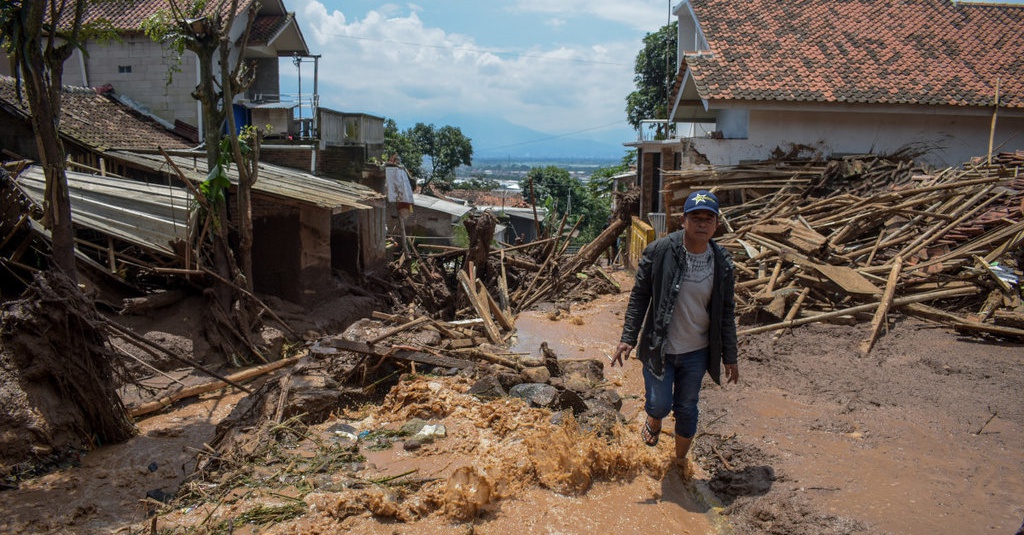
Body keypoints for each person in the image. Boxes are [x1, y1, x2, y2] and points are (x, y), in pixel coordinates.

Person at [610, 189, 739, 479]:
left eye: (709, 218)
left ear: (716, 224)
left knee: (688, 409)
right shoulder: (659, 252)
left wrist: (730, 356)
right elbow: (639, 297)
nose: (702, 224)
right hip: (660, 348)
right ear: (684, 221)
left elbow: (726, 312)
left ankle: (679, 463)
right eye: (696, 217)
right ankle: (654, 421)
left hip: (697, 351)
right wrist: (627, 338)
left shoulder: (722, 262)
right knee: (659, 405)